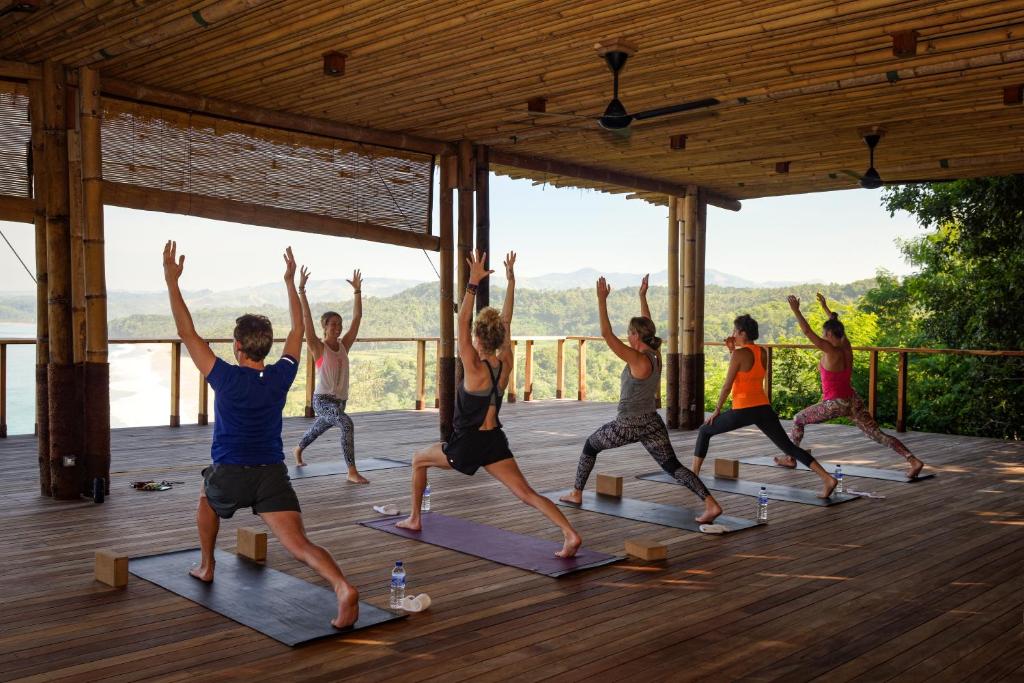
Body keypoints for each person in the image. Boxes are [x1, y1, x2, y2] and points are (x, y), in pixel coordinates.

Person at [162, 241, 359, 628]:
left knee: (206, 491)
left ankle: (206, 565)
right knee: (300, 545)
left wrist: (172, 282)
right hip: (272, 474)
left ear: (237, 347)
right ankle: (341, 586)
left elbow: (187, 332)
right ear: (266, 348)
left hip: (231, 473)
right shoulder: (281, 374)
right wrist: (289, 282)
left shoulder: (225, 376)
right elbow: (298, 330)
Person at [396, 251, 582, 558]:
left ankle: (415, 518)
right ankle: (570, 534)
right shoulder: (504, 363)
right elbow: (505, 321)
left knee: (418, 459)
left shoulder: (474, 367)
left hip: (467, 444)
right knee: (527, 494)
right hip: (494, 440)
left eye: (473, 335)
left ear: (478, 339)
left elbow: (462, 320)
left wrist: (472, 283)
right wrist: (511, 282)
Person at [560, 274, 723, 524]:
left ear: (636, 336)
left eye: (629, 333)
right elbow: (648, 324)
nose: (627, 336)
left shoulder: (637, 359)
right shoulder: (654, 354)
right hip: (650, 421)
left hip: (628, 423)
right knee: (672, 465)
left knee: (590, 445)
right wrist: (642, 296)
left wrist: (601, 300)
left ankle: (576, 493)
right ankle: (710, 504)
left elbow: (606, 333)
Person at [693, 313, 838, 499]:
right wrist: (732, 350)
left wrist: (717, 410)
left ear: (743, 333)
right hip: (763, 408)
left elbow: (728, 385)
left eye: (735, 331)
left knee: (705, 431)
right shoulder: (762, 352)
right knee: (788, 447)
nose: (733, 334)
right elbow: (747, 374)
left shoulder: (739, 354)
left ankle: (694, 476)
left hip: (743, 410)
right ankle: (827, 478)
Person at [783, 293, 925, 478]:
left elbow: (807, 332)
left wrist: (796, 310)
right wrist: (826, 309)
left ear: (829, 334)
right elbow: (835, 322)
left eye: (825, 333)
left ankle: (790, 457)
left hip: (835, 403)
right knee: (877, 434)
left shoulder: (830, 350)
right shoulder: (846, 345)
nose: (823, 336)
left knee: (797, 419)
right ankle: (913, 460)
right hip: (852, 400)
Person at [293, 267, 368, 484]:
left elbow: (357, 318)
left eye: (339, 324)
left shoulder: (344, 345)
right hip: (323, 400)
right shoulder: (318, 347)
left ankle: (298, 449)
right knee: (346, 424)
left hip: (340, 402)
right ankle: (352, 471)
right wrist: (302, 290)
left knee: (318, 428)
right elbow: (306, 318)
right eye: (333, 324)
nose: (337, 327)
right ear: (324, 327)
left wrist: (357, 292)